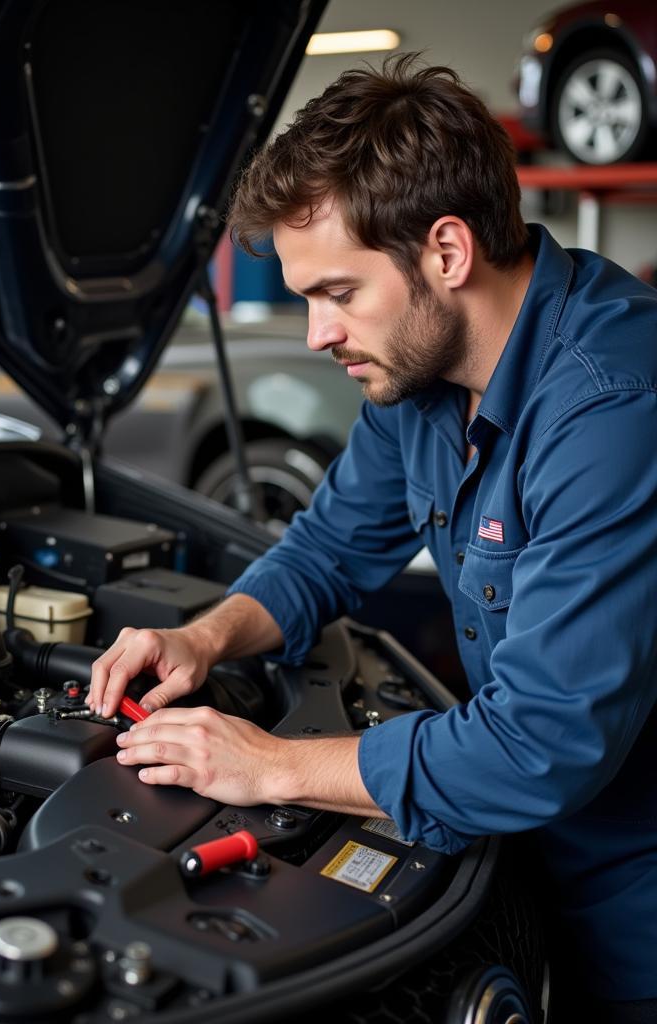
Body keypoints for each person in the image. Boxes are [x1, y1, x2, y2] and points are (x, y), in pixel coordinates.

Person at [88, 55, 657, 1019]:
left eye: (339, 293)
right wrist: (204, 637)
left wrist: (269, 764)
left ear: (446, 251)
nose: (317, 333)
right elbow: (329, 548)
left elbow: (539, 743)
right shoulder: (416, 377)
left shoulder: (614, 406)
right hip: (524, 848)